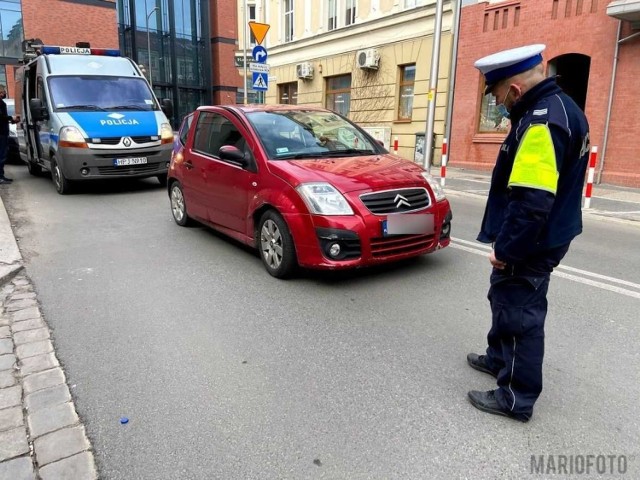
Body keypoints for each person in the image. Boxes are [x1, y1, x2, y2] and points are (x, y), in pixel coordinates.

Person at [466, 44, 590, 422]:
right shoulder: (563, 108)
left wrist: (507, 249)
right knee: (505, 296)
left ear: (515, 90)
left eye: (498, 96)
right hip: (544, 233)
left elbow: (532, 202)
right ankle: (499, 358)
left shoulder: (539, 122)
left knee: (520, 311)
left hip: (533, 239)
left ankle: (515, 399)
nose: (499, 105)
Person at [0, 84, 14, 184]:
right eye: (3, 91)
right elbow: (1, 118)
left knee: (2, 155)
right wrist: (11, 118)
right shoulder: (0, 103)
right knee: (1, 155)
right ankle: (0, 177)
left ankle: (2, 175)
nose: (4, 93)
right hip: (1, 133)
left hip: (2, 131)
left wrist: (11, 120)